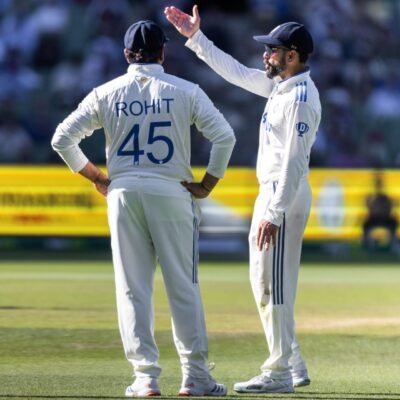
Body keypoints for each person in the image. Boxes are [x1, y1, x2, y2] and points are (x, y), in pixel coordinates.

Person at [51, 20, 235, 397]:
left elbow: (62, 139)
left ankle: (145, 377)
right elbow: (225, 137)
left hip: (123, 193)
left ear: (126, 54)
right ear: (162, 53)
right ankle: (195, 376)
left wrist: (96, 177)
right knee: (183, 286)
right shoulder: (185, 90)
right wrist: (207, 184)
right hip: (171, 192)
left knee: (132, 289)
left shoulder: (105, 92)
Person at [165, 5, 321, 394]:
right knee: (264, 282)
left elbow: (293, 161)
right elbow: (234, 72)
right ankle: (292, 361)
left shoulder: (300, 96)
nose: (266, 55)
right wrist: (196, 39)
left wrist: (274, 211)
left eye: (273, 50)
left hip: (282, 196)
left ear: (293, 55)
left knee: (272, 285)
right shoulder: (281, 87)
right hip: (273, 193)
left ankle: (279, 372)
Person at [362, 172, 399, 251]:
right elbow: (370, 208)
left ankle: (393, 244)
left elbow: (389, 208)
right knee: (366, 225)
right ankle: (369, 244)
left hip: (385, 218)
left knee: (393, 223)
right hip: (375, 218)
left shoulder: (386, 198)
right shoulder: (372, 198)